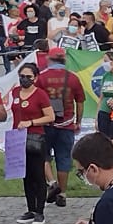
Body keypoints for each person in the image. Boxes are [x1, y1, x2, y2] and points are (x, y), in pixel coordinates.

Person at [39, 46, 85, 208]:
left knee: (43, 155)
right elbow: (80, 101)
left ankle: (52, 182)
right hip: (66, 124)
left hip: (45, 123)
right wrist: (78, 121)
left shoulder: (41, 78)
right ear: (64, 59)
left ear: (49, 59)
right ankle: (63, 193)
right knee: (64, 158)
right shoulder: (73, 78)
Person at [13, 62, 56, 224]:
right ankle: (30, 209)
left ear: (35, 78)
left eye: (28, 77)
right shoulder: (16, 92)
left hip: (35, 137)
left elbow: (50, 116)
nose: (24, 79)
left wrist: (30, 122)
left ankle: (40, 211)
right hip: (18, 138)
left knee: (38, 174)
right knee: (26, 175)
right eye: (22, 76)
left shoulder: (40, 95)